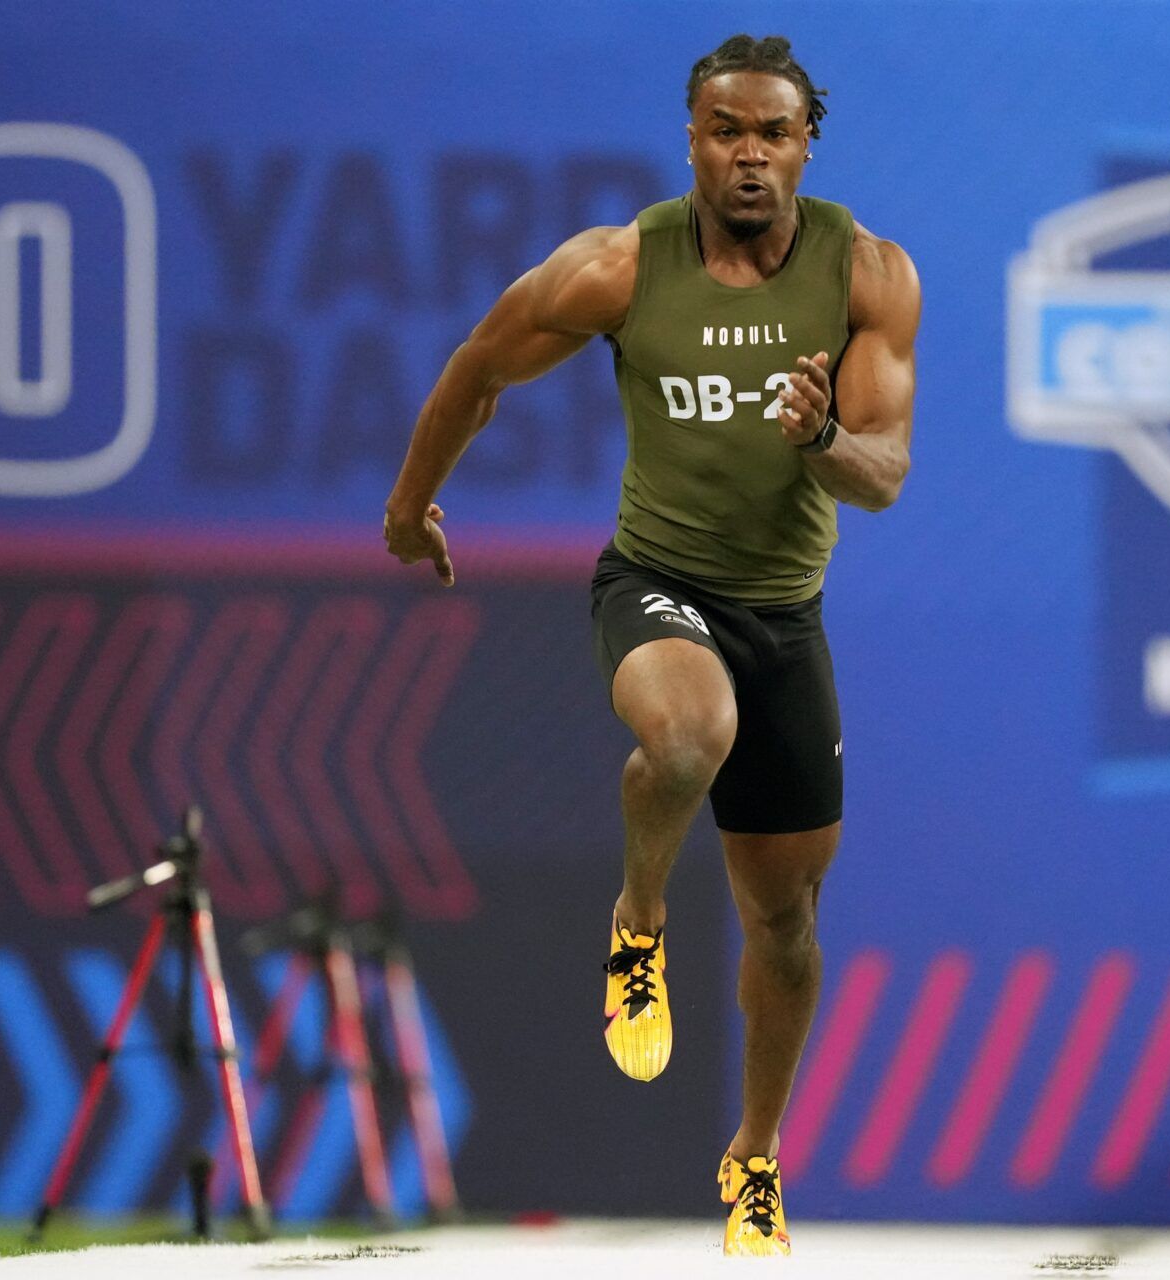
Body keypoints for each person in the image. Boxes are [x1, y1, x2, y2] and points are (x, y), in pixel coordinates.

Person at [383, 32, 919, 1256]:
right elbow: (478, 367)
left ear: (805, 144)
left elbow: (884, 475)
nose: (746, 153)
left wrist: (824, 436)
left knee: (785, 924)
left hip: (784, 616)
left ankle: (754, 1157)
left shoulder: (869, 274)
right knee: (688, 734)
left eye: (770, 132)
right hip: (657, 583)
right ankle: (639, 924)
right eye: (724, 130)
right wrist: (410, 508)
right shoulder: (620, 268)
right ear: (692, 140)